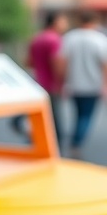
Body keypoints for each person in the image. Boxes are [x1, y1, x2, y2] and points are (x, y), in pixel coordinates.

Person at [56, 11, 107, 158]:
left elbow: (62, 62)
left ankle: (74, 140)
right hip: (93, 85)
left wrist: (63, 81)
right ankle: (76, 142)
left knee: (77, 114)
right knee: (86, 116)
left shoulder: (70, 37)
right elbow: (104, 65)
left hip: (74, 84)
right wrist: (104, 85)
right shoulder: (99, 39)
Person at [27, 12, 69, 144]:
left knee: (41, 120)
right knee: (55, 124)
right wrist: (61, 82)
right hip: (51, 85)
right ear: (55, 22)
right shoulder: (54, 39)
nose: (65, 24)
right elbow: (56, 62)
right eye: (63, 21)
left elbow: (29, 61)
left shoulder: (37, 38)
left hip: (37, 82)